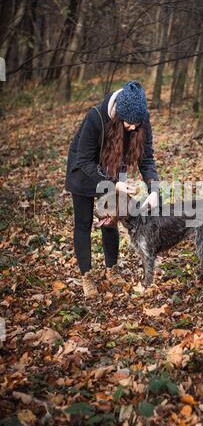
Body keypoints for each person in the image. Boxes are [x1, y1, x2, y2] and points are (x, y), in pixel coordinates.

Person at [65, 80, 160, 297]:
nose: (133, 127)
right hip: (83, 172)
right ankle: (86, 275)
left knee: (110, 220)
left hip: (114, 170)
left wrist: (154, 190)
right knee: (84, 222)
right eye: (129, 123)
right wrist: (112, 182)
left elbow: (147, 159)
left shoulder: (140, 121)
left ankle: (111, 268)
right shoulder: (95, 117)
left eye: (137, 123)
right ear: (118, 114)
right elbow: (84, 159)